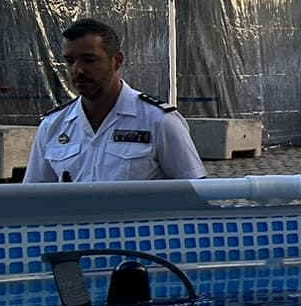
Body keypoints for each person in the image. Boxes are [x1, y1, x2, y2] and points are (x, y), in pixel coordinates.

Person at [24, 17, 206, 183]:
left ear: (117, 61)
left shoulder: (159, 122)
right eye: (70, 61)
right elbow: (34, 199)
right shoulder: (53, 127)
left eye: (89, 60)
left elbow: (195, 194)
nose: (77, 71)